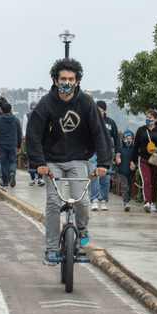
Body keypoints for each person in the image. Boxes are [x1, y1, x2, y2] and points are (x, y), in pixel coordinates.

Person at [25, 58, 112, 266]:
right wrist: (39, 163)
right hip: (51, 161)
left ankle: (81, 227)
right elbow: (33, 135)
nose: (67, 82)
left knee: (81, 200)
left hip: (78, 158)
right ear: (55, 81)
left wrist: (103, 164)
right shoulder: (46, 103)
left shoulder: (86, 104)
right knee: (53, 203)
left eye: (71, 79)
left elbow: (100, 134)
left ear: (78, 81)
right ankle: (52, 249)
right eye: (63, 78)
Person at [130, 110, 157, 213]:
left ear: (155, 120)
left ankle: (153, 202)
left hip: (156, 160)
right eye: (147, 117)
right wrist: (132, 160)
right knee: (147, 181)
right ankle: (147, 202)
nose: (148, 119)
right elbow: (136, 146)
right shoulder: (141, 130)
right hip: (143, 159)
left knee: (155, 182)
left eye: (150, 117)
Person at [90, 100, 119, 211]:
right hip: (93, 153)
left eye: (99, 110)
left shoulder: (111, 123)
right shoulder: (91, 122)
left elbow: (116, 140)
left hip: (107, 154)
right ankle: (94, 199)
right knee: (94, 177)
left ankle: (104, 200)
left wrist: (118, 154)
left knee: (106, 178)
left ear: (103, 111)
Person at [0, 102, 22, 188]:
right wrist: (19, 146)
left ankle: (5, 181)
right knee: (12, 161)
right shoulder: (16, 120)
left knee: (3, 163)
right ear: (11, 110)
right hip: (13, 144)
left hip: (2, 144)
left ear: (1, 110)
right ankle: (12, 173)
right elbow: (19, 134)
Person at [23, 101, 43, 186]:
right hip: (30, 141)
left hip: (40, 140)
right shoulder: (26, 116)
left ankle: (40, 178)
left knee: (41, 159)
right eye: (32, 108)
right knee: (31, 159)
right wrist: (25, 138)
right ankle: (32, 178)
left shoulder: (42, 116)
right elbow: (24, 128)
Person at [116, 130, 136, 212]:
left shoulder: (134, 149)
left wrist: (135, 165)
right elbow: (115, 160)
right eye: (127, 138)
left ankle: (128, 199)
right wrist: (117, 161)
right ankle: (126, 202)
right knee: (125, 187)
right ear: (123, 138)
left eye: (131, 138)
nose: (129, 140)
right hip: (122, 171)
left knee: (130, 187)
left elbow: (136, 160)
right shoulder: (120, 149)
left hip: (131, 172)